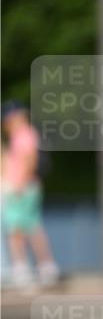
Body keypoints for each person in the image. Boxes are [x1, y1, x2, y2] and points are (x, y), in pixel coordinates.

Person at [1, 100, 59, 289]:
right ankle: (45, 267)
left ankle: (23, 269)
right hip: (27, 187)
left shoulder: (23, 136)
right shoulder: (25, 135)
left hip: (22, 188)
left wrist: (19, 183)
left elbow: (29, 160)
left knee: (17, 230)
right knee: (32, 227)